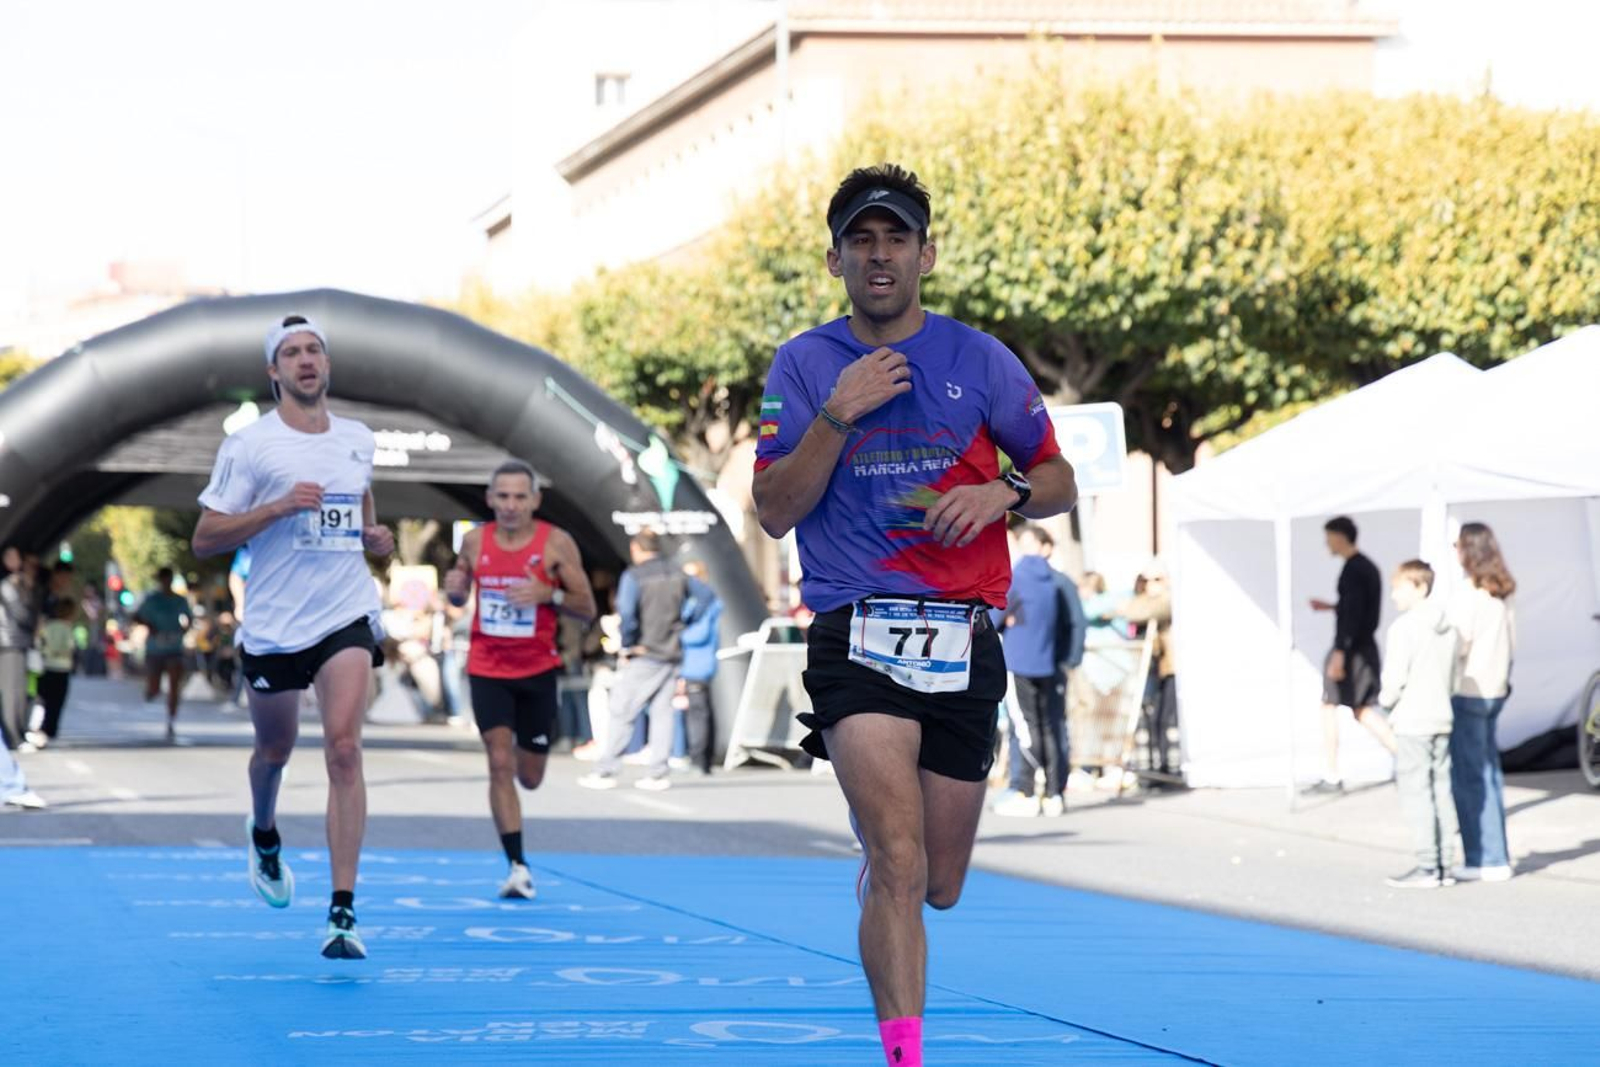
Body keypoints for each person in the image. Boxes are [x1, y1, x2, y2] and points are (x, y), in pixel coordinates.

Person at [751, 163, 1076, 1067]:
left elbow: (1059, 479)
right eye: (863, 240)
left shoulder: (982, 359)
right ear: (835, 260)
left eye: (897, 238)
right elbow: (774, 508)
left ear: (927, 254)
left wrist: (1001, 491)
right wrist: (838, 416)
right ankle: (906, 1056)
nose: (880, 254)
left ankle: (886, 877)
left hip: (962, 636)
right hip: (854, 630)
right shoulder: (806, 364)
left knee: (937, 881)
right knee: (897, 858)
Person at [191, 313, 395, 960]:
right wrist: (275, 508)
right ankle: (265, 829)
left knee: (342, 747)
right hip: (277, 626)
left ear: (327, 365)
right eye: (291, 352)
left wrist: (377, 541)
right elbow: (204, 538)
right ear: (273, 372)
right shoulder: (250, 446)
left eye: (314, 350)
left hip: (345, 611)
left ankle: (342, 912)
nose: (306, 360)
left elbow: (362, 513)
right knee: (273, 751)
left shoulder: (358, 438)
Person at [444, 459, 597, 898]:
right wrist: (455, 588)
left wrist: (549, 593)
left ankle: (525, 759)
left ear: (534, 500)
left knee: (529, 775)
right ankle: (517, 865)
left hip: (537, 671)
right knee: (498, 760)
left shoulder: (556, 544)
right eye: (502, 497)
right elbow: (457, 592)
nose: (510, 505)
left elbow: (586, 607)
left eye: (519, 497)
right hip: (487, 666)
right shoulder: (474, 541)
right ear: (490, 499)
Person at [577, 530, 710, 792]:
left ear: (636, 549)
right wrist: (685, 622)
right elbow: (706, 597)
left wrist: (628, 641)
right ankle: (657, 773)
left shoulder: (634, 576)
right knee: (663, 714)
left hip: (644, 651)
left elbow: (627, 612)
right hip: (671, 652)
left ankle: (606, 770)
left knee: (621, 710)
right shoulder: (677, 572)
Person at [1377, 561, 1459, 889]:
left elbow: (1394, 680)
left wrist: (1386, 702)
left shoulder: (1405, 628)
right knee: (1441, 787)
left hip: (1413, 718)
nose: (1394, 594)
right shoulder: (1448, 626)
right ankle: (1444, 863)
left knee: (1416, 790)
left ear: (1420, 587)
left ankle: (1427, 864)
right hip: (1442, 714)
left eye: (1400, 587)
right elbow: (1453, 675)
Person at [992, 524, 1084, 817]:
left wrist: (1069, 659)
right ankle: (1054, 792)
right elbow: (1076, 624)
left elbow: (996, 617)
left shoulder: (1021, 578)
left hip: (1025, 662)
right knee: (1051, 727)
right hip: (1050, 663)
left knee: (1025, 728)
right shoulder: (1054, 582)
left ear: (1046, 546)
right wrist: (1068, 660)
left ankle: (1027, 791)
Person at [1447, 522, 1517, 882]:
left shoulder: (1469, 592)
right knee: (1489, 773)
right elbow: (1513, 641)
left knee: (1469, 776)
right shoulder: (1502, 589)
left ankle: (1483, 856)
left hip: (1470, 688)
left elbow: (1458, 643)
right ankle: (1495, 854)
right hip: (1496, 687)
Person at [1306, 516, 1396, 793]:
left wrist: (1340, 652)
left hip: (1353, 650)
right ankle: (1407, 759)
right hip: (1358, 648)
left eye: (1329, 537)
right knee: (1360, 709)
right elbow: (1356, 610)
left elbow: (1355, 615)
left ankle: (1332, 774)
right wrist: (1334, 608)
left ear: (1341, 536)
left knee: (1338, 707)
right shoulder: (1363, 567)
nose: (1326, 544)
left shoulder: (1355, 570)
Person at [1123, 562, 1179, 780]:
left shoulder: (1168, 599)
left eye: (1157, 580)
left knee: (1165, 719)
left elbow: (1147, 610)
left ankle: (1167, 766)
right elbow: (1132, 610)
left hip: (1170, 666)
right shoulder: (1144, 600)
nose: (1150, 585)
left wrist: (1147, 600)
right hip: (1150, 667)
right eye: (1146, 580)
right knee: (1150, 719)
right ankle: (1153, 768)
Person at [676, 560, 723, 776]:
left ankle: (699, 758)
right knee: (701, 710)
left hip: (698, 663)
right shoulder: (692, 603)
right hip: (692, 663)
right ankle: (700, 757)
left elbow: (700, 634)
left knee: (698, 712)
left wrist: (675, 634)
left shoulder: (706, 603)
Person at [135, 567, 192, 742]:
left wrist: (184, 629)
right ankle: (151, 690)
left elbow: (189, 618)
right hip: (155, 648)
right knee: (154, 688)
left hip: (174, 647)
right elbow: (136, 616)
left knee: (175, 685)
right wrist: (149, 625)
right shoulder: (151, 600)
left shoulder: (180, 600)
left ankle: (171, 719)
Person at [30, 596, 77, 747]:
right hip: (62, 668)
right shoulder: (67, 628)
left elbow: (40, 642)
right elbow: (70, 647)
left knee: (44, 699)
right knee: (57, 701)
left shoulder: (47, 626)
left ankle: (40, 727)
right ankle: (51, 729)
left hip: (46, 666)